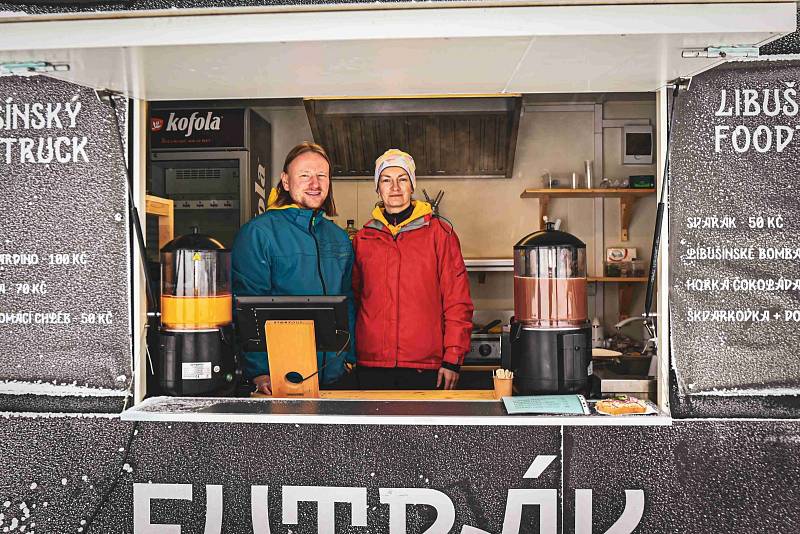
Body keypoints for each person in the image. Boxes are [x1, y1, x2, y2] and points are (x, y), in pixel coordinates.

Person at [232, 142, 355, 395]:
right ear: (286, 182)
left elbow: (348, 302)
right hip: (280, 377)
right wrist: (259, 371)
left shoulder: (338, 237)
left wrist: (348, 356)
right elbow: (246, 305)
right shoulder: (259, 233)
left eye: (322, 175)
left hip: (333, 375)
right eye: (305, 175)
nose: (315, 183)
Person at [352, 149, 473, 390]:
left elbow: (457, 300)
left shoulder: (440, 234)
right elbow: (353, 301)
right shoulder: (363, 239)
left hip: (426, 367)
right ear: (378, 188)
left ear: (412, 186)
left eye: (402, 179)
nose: (394, 187)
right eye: (386, 180)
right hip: (371, 365)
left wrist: (453, 359)